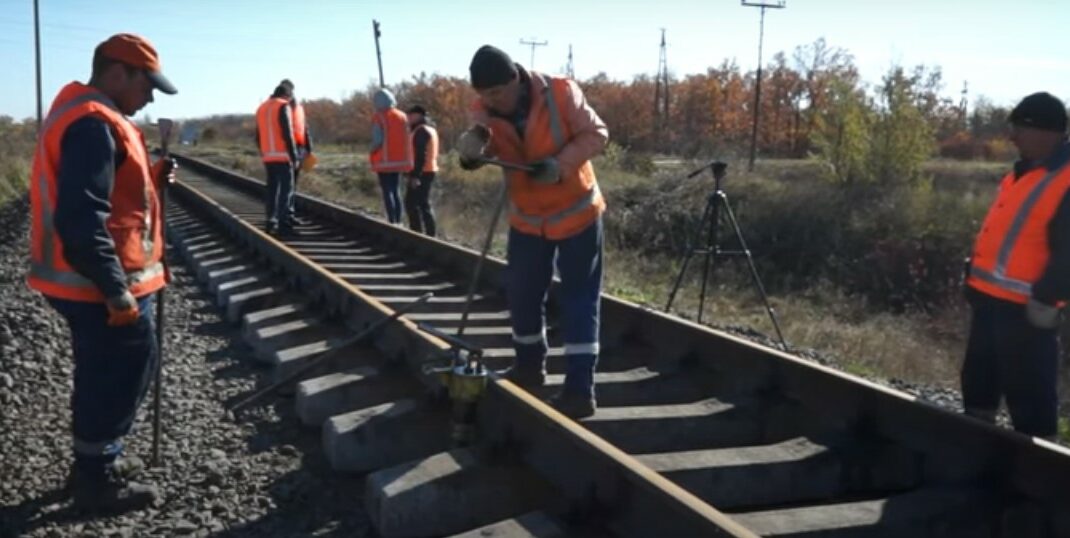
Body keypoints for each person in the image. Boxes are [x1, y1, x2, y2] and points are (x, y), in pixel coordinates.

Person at [27, 33, 177, 512]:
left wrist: (154, 175)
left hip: (89, 278)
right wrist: (116, 290)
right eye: (145, 84)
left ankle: (92, 465)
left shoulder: (95, 116)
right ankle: (96, 479)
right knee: (119, 371)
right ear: (117, 73)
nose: (150, 96)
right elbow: (81, 215)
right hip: (96, 283)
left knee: (107, 370)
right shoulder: (93, 124)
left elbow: (111, 193)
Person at [457, 45, 608, 418]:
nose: (492, 102)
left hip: (576, 212)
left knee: (578, 299)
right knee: (522, 293)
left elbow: (597, 135)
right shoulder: (483, 110)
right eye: (484, 95)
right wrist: (470, 151)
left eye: (497, 93)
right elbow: (482, 144)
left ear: (515, 80)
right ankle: (529, 369)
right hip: (527, 217)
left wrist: (560, 164)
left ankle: (579, 390)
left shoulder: (560, 93)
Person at [962, 91, 1070, 439]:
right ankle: (977, 456)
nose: (1012, 137)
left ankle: (1040, 478)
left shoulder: (1064, 180)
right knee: (979, 385)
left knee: (1031, 402)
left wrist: (1047, 298)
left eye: (1020, 129)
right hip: (988, 303)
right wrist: (972, 275)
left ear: (1047, 132)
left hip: (1027, 312)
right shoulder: (1020, 175)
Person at [255, 84, 298, 235]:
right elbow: (288, 133)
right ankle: (283, 224)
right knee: (286, 190)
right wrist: (294, 156)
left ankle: (270, 220)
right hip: (282, 156)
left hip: (268, 156)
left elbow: (258, 135)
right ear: (287, 95)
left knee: (272, 190)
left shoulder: (261, 108)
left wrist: (263, 152)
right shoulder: (283, 106)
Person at [369, 88, 412, 225]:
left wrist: (371, 151)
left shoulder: (379, 117)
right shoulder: (402, 116)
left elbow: (377, 141)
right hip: (400, 161)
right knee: (396, 190)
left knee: (387, 191)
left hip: (384, 161)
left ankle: (391, 220)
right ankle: (399, 220)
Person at [279, 78, 313, 224]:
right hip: (285, 148)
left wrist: (309, 148)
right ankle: (284, 215)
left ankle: (289, 213)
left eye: (290, 88)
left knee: (292, 184)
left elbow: (304, 127)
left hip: (299, 148)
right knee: (286, 184)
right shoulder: (282, 106)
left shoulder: (298, 107)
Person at [404, 105, 439, 236]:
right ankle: (428, 235)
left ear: (419, 115)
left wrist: (415, 176)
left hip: (422, 172)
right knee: (422, 203)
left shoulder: (421, 131)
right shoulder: (429, 129)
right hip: (428, 170)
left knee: (413, 204)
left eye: (411, 115)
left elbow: (420, 155)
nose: (408, 118)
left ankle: (418, 234)